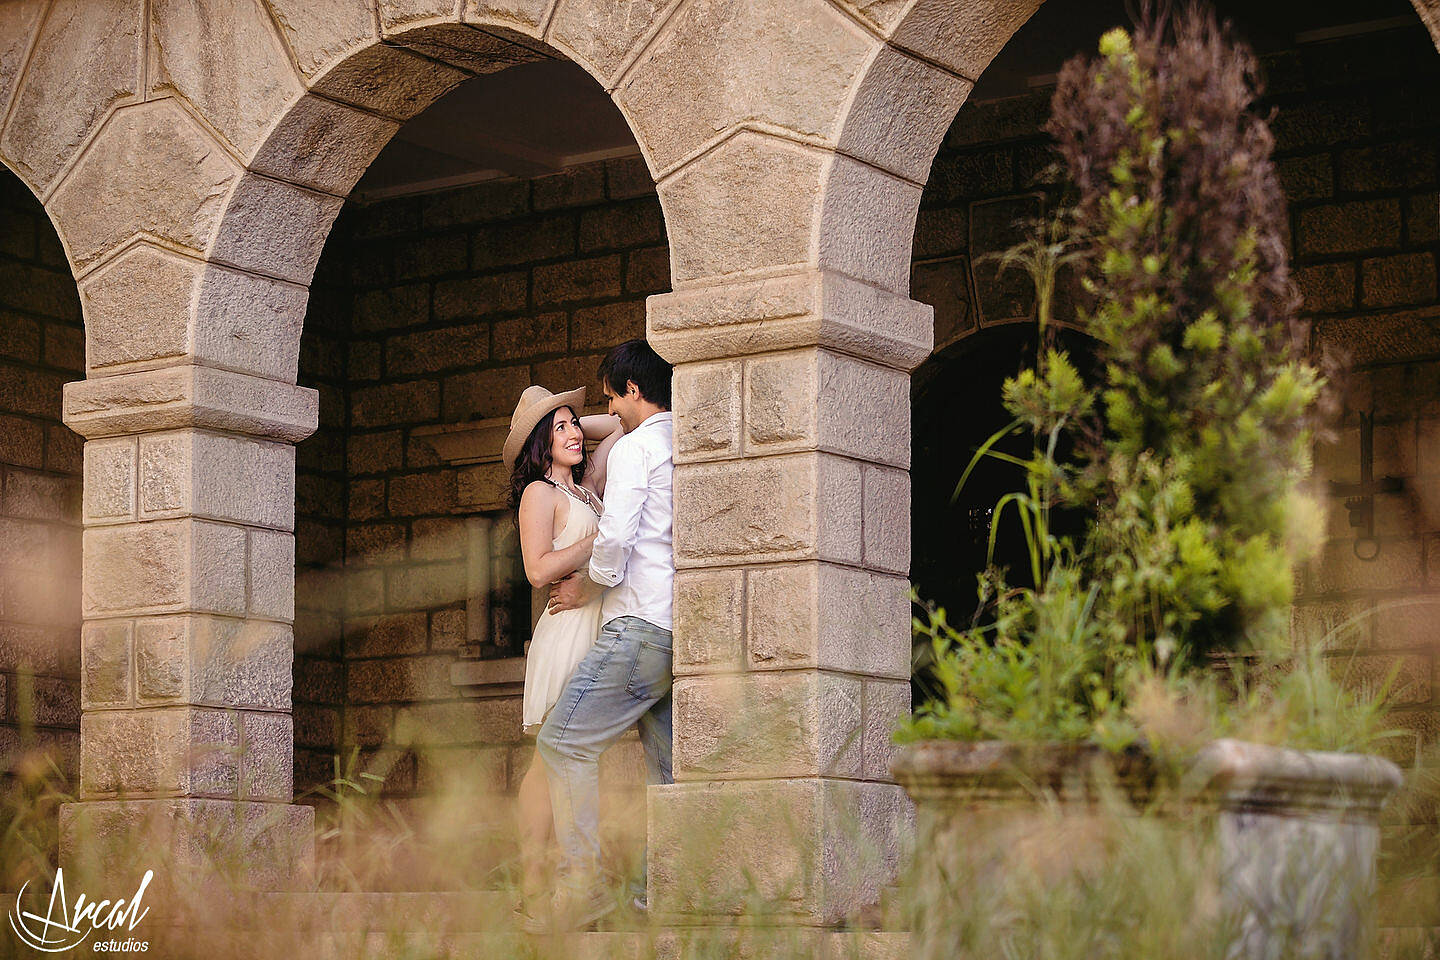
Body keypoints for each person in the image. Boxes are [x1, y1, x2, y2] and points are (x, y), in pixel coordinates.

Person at [533, 339, 675, 931]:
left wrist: (593, 585)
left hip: (637, 625)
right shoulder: (681, 437)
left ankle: (583, 888)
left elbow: (616, 539)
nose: (607, 412)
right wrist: (573, 420)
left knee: (562, 743)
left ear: (633, 391)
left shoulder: (639, 448)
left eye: (613, 397)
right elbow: (602, 422)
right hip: (672, 630)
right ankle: (654, 895)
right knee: (665, 772)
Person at [502, 384, 623, 920]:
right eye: (560, 429)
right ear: (538, 445)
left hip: (597, 626)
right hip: (565, 631)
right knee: (548, 759)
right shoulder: (539, 494)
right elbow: (537, 570)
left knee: (567, 757)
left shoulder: (589, 490)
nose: (575, 433)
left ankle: (562, 879)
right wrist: (599, 542)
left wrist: (569, 419)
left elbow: (620, 426)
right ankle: (533, 882)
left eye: (575, 424)